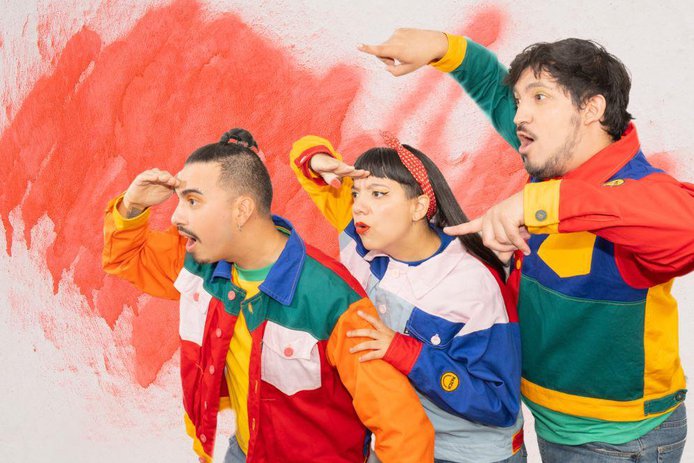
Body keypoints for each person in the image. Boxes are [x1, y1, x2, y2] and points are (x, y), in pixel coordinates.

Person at [358, 29, 694, 462]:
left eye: (539, 98)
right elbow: (491, 87)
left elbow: (685, 228)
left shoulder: (637, 191)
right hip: (549, 425)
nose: (519, 116)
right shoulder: (552, 158)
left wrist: (540, 203)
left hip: (620, 441)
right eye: (519, 101)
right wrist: (444, 48)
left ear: (592, 108)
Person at [101, 128, 435, 463]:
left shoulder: (333, 300)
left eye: (193, 201)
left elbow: (404, 429)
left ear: (241, 210)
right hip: (245, 451)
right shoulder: (199, 263)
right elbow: (125, 258)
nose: (176, 217)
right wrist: (132, 206)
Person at [289, 131, 525, 463]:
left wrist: (402, 350)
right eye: (355, 194)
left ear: (418, 207)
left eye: (378, 193)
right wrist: (317, 159)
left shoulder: (472, 285)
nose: (359, 207)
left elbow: (498, 403)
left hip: (467, 454)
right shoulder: (362, 235)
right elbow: (302, 157)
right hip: (402, 443)